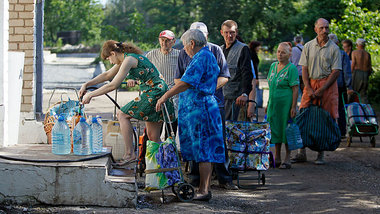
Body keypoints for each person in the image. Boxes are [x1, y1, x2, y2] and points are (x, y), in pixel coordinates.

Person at [79, 40, 175, 165]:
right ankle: (162, 170)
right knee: (153, 137)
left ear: (113, 53)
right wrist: (87, 84)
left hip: (154, 93)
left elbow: (113, 85)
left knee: (122, 114)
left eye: (108, 58)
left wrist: (91, 94)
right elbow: (107, 75)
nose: (110, 61)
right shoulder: (126, 59)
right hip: (158, 91)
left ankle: (130, 154)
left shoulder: (129, 60)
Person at [156, 29, 225, 201]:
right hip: (201, 107)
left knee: (203, 150)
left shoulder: (201, 57)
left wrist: (165, 96)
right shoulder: (206, 55)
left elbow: (185, 82)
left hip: (201, 109)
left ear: (192, 43)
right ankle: (204, 188)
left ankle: (203, 190)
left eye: (185, 45)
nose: (184, 49)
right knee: (203, 150)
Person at [174, 22, 237, 190]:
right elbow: (178, 79)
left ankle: (223, 179)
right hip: (194, 107)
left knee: (212, 144)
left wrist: (205, 88)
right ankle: (197, 181)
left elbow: (224, 76)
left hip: (210, 104)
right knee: (198, 146)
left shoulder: (212, 51)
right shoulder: (184, 53)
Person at [292, 18, 342, 165]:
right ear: (315, 29)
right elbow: (304, 68)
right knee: (303, 115)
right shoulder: (308, 46)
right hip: (311, 83)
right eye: (321, 28)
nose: (324, 31)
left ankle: (321, 153)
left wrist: (323, 89)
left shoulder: (334, 48)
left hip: (328, 85)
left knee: (326, 117)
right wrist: (307, 87)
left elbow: (336, 71)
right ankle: (302, 153)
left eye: (327, 28)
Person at [266, 42, 299, 169]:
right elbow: (271, 85)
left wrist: (293, 107)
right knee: (275, 129)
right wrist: (268, 102)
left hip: (286, 105)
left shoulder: (292, 69)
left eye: (283, 52)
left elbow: (295, 89)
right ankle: (277, 157)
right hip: (274, 104)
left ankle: (287, 158)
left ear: (289, 54)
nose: (280, 54)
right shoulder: (273, 66)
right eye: (278, 51)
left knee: (286, 130)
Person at [145, 30, 180, 136]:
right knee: (153, 132)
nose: (164, 43)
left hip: (173, 96)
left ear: (173, 42)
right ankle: (152, 152)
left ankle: (169, 151)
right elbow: (142, 70)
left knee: (171, 131)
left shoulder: (180, 55)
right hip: (156, 95)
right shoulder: (151, 55)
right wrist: (132, 79)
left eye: (167, 40)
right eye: (162, 40)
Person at [220, 20, 253, 121]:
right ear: (222, 33)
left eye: (232, 32)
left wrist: (244, 94)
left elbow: (247, 73)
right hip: (221, 98)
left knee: (235, 133)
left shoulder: (243, 49)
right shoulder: (220, 49)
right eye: (226, 32)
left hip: (237, 100)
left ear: (236, 32)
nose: (229, 35)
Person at [328, 33, 353, 137]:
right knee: (341, 108)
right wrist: (349, 86)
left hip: (327, 84)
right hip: (340, 84)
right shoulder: (343, 54)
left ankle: (330, 130)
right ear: (337, 42)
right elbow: (347, 72)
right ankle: (342, 131)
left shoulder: (325, 53)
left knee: (329, 107)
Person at [351, 38, 372, 104]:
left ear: (357, 44)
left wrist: (350, 74)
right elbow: (370, 68)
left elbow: (353, 63)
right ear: (364, 45)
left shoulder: (354, 52)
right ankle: (365, 110)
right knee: (363, 93)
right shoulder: (367, 54)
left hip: (357, 73)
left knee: (353, 92)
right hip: (365, 73)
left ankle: (352, 109)